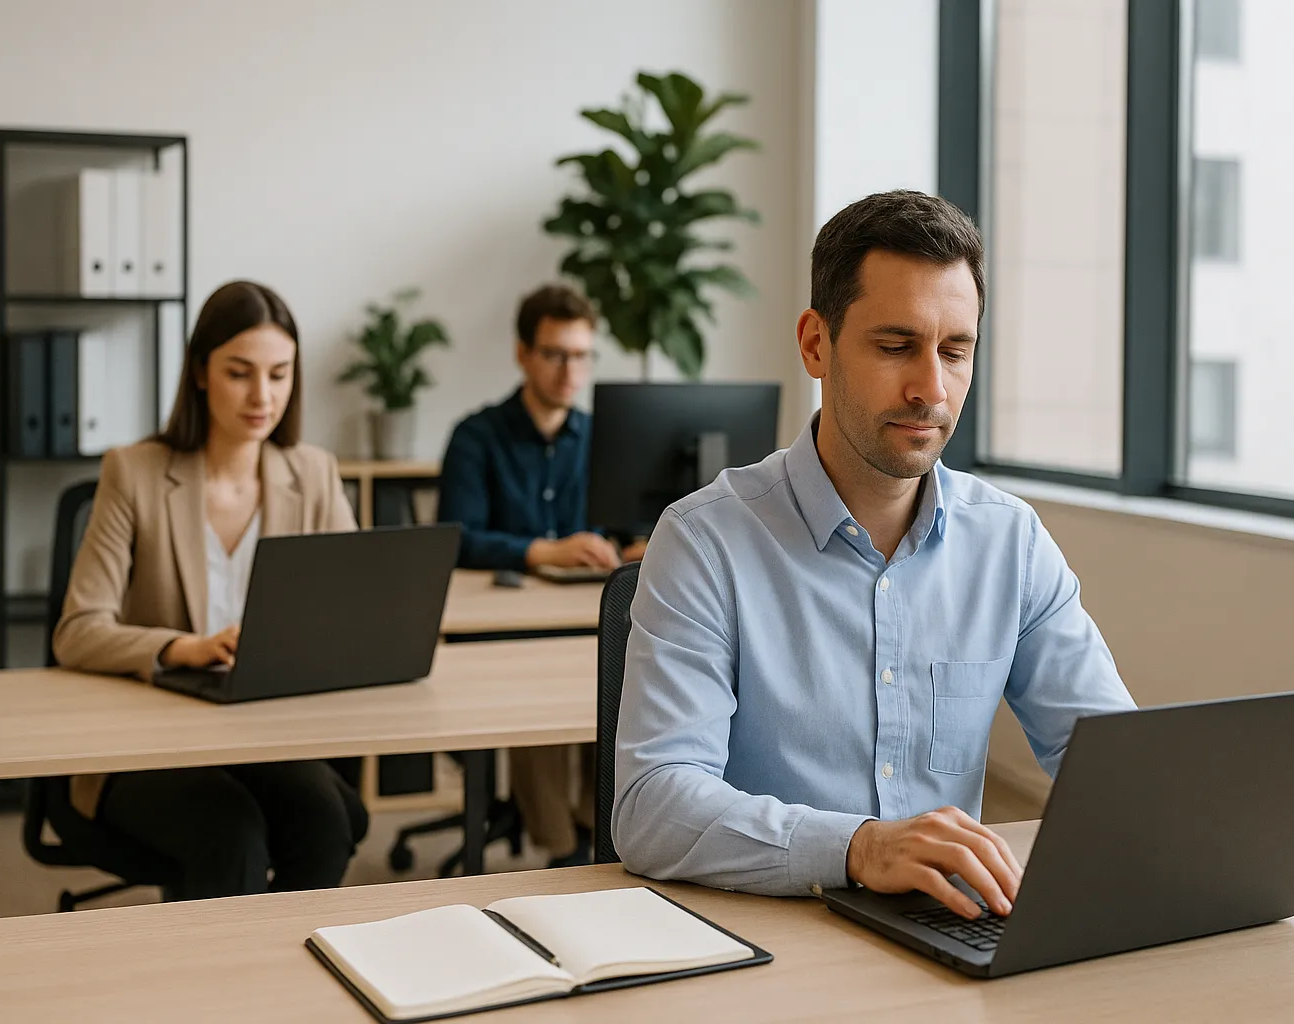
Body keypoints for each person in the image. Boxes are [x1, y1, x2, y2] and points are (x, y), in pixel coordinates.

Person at [612, 191, 1136, 918]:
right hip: (770, 939)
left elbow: (1110, 763)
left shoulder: (1009, 541)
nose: (932, 390)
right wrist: (859, 848)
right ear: (815, 344)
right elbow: (652, 805)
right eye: (896, 347)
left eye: (956, 352)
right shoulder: (706, 542)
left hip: (946, 935)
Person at [54, 280, 369, 900]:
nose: (263, 396)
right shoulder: (135, 472)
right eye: (239, 373)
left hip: (265, 736)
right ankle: (218, 986)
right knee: (229, 834)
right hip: (147, 746)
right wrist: (180, 648)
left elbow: (354, 616)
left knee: (327, 824)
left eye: (280, 375)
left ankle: (278, 970)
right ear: (200, 373)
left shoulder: (314, 473)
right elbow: (78, 629)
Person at [438, 283, 639, 867]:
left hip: (587, 616)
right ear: (522, 354)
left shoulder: (602, 438)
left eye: (581, 355)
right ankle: (562, 843)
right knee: (547, 680)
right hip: (503, 629)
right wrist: (541, 552)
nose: (568, 370)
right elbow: (457, 537)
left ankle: (595, 822)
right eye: (554, 354)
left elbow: (619, 523)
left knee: (618, 669)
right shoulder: (476, 437)